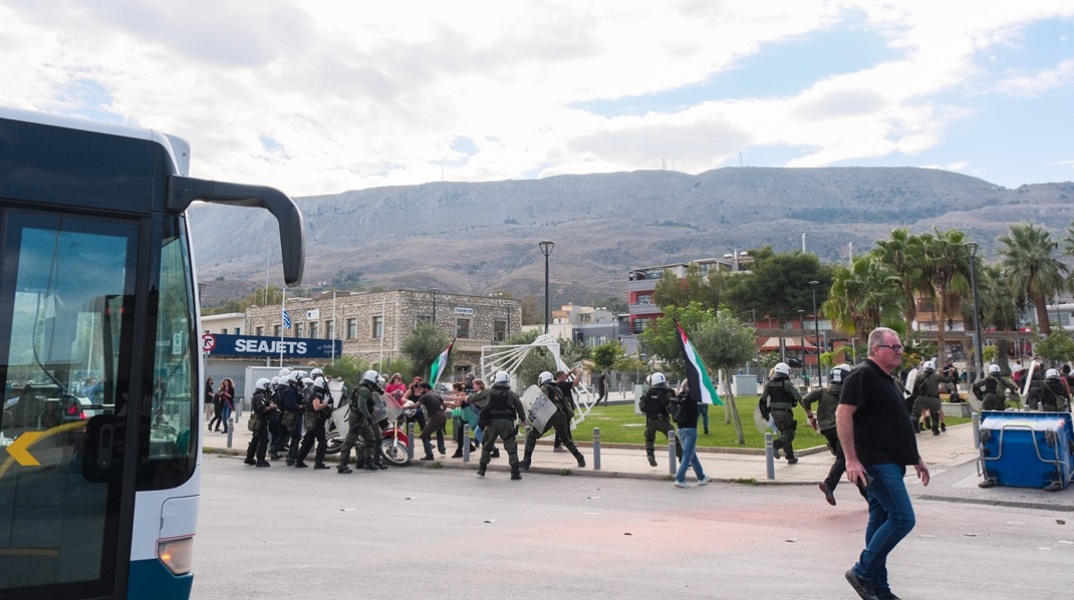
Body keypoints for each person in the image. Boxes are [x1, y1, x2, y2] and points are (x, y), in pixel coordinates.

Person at [837, 326, 930, 600]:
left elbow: (894, 424)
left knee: (879, 520)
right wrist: (851, 459)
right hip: (875, 462)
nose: (900, 351)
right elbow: (843, 415)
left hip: (891, 461)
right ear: (877, 349)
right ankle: (862, 572)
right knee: (902, 518)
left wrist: (915, 458)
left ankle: (879, 590)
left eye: (900, 346)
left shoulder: (886, 378)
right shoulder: (863, 374)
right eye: (895, 347)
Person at [802, 364, 864, 506]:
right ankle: (829, 484)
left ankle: (868, 495)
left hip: (826, 429)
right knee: (844, 458)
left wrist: (811, 417)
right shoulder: (848, 392)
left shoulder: (823, 391)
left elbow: (805, 399)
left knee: (847, 461)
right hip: (842, 429)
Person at [521, 371, 586, 470]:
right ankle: (580, 458)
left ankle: (526, 461)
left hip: (550, 415)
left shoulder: (545, 387)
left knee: (532, 437)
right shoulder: (557, 389)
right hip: (561, 415)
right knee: (566, 439)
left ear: (542, 379)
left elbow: (541, 401)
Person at [476, 371, 527, 480]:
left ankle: (482, 469)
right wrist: (523, 419)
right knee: (511, 447)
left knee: (487, 446)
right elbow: (519, 407)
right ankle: (515, 472)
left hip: (491, 423)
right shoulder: (512, 394)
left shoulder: (489, 391)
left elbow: (476, 397)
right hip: (506, 423)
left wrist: (467, 399)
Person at [337, 370, 381, 474]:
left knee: (370, 438)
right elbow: (362, 406)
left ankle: (367, 462)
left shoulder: (365, 389)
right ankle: (342, 465)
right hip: (357, 419)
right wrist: (368, 417)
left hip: (361, 419)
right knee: (349, 442)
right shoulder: (364, 391)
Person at [759, 362, 803, 464]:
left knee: (785, 432)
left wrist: (765, 414)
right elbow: (798, 396)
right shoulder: (787, 383)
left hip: (774, 413)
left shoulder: (769, 384)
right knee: (790, 434)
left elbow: (763, 401)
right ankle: (775, 445)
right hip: (785, 413)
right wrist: (807, 408)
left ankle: (790, 457)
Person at [671, 380, 711, 488]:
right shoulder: (691, 398)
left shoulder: (680, 397)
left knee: (691, 453)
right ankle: (680, 478)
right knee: (688, 455)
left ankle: (701, 476)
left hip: (680, 429)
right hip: (690, 429)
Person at [638, 372, 681, 467]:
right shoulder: (667, 392)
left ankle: (650, 455)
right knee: (673, 438)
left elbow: (642, 407)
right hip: (662, 420)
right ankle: (682, 458)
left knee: (649, 439)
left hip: (650, 421)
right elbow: (672, 405)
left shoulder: (648, 392)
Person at [294, 377, 332, 469]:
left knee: (308, 441)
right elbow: (316, 407)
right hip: (317, 421)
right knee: (322, 442)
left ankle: (299, 461)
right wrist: (327, 403)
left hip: (313, 421)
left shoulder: (313, 393)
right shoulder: (317, 394)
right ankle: (318, 463)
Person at [244, 378, 276, 467]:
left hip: (260, 421)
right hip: (261, 421)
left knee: (255, 439)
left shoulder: (261, 395)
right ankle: (260, 460)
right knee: (263, 439)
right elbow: (261, 409)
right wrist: (272, 408)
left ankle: (249, 457)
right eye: (268, 385)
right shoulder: (260, 396)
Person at [413, 382, 447, 460]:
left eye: (421, 389)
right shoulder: (436, 394)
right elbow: (444, 405)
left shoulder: (425, 396)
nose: (420, 391)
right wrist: (441, 411)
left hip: (435, 417)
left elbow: (415, 405)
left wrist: (404, 407)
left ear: (426, 388)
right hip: (442, 415)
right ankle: (442, 449)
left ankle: (429, 455)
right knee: (439, 430)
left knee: (424, 435)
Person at [552, 368, 580, 452]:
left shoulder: (556, 383)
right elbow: (575, 383)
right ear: (561, 376)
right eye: (565, 376)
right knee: (562, 427)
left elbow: (563, 378)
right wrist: (578, 373)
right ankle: (557, 446)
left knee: (565, 426)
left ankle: (569, 443)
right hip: (565, 409)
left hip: (560, 409)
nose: (566, 377)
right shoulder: (563, 384)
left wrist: (570, 372)